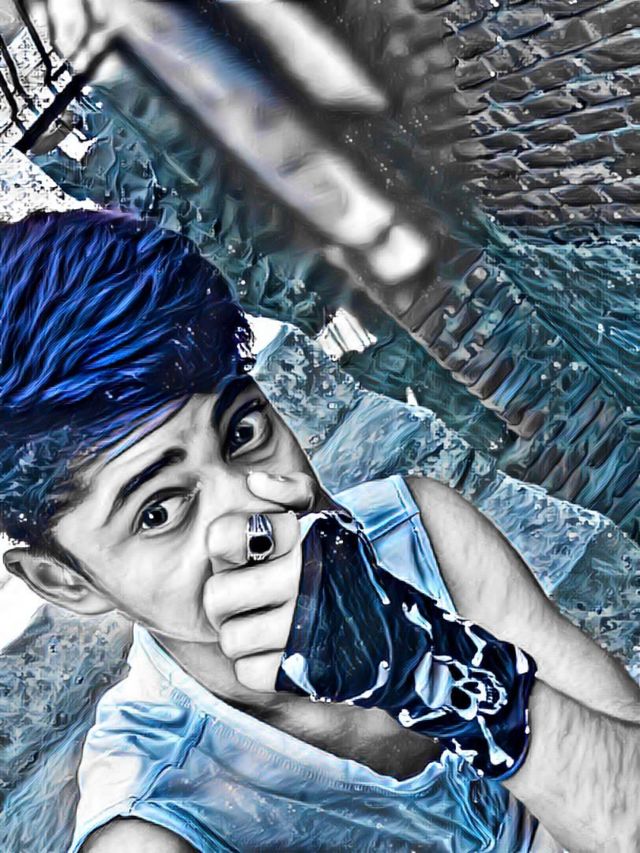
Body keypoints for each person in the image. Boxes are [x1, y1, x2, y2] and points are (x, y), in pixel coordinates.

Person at [1, 210, 638, 853]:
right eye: (159, 512)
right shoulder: (155, 823)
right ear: (65, 580)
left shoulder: (417, 532)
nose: (255, 511)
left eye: (243, 432)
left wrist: (431, 665)